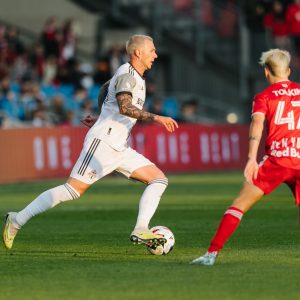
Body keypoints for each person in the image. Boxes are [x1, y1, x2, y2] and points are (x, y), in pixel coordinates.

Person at [3, 34, 178, 250]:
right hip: (103, 142)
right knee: (73, 190)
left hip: (120, 146)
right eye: (152, 50)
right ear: (138, 52)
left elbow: (107, 89)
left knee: (159, 180)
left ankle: (141, 228)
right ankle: (17, 219)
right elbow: (124, 106)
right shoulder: (127, 74)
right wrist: (156, 117)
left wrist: (102, 115)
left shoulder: (134, 77)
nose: (156, 55)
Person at [191, 48, 300, 266]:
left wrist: (251, 158)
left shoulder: (264, 97)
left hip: (277, 161)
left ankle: (211, 255)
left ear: (266, 72)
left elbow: (257, 126)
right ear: (288, 71)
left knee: (239, 205)